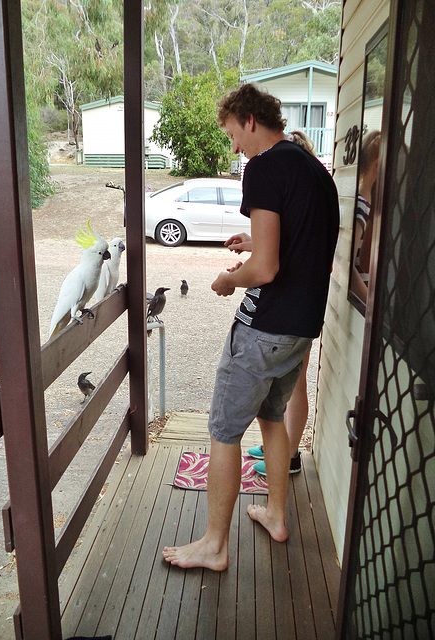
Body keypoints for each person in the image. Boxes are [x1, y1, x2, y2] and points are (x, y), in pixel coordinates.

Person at [162, 83, 339, 571]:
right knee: (273, 419)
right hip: (301, 328)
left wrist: (228, 279)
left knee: (223, 429)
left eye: (232, 134)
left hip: (264, 329)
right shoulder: (314, 169)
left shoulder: (263, 167)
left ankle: (214, 546)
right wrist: (254, 240)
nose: (234, 147)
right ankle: (276, 515)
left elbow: (264, 270)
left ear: (249, 120)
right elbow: (304, 244)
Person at [245, 130, 318, 476]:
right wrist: (251, 243)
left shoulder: (303, 188)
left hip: (298, 308)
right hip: (300, 306)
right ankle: (280, 448)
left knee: (296, 383)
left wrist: (233, 279)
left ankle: (288, 456)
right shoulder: (307, 194)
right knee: (283, 388)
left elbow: (288, 255)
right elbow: (282, 244)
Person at [351, 130, 381, 303]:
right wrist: (371, 305)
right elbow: (351, 267)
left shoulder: (365, 202)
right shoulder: (361, 206)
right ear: (377, 166)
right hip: (363, 300)